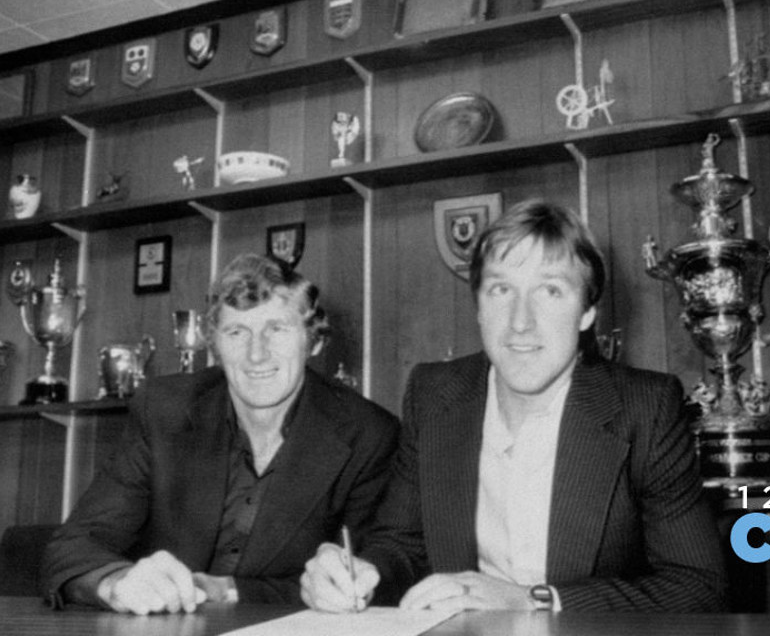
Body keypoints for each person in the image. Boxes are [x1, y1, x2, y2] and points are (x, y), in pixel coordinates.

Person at [301, 199, 727, 613]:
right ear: (478, 307)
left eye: (550, 290)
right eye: (501, 289)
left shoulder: (645, 408)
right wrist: (362, 573)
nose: (521, 321)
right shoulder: (433, 395)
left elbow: (698, 586)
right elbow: (402, 543)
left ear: (586, 313)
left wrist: (535, 601)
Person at [42, 253, 400, 614]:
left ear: (313, 342)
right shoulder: (164, 410)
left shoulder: (367, 434)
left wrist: (229, 590)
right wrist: (115, 583)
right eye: (236, 332)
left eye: (277, 329)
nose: (257, 354)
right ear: (214, 344)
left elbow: (376, 578)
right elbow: (72, 548)